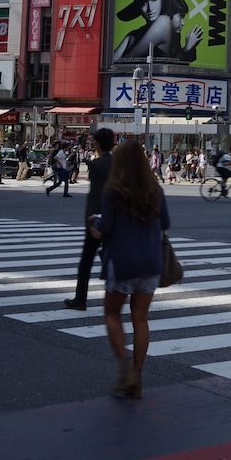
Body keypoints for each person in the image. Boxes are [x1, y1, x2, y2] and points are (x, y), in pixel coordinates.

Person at [89, 139, 170, 398]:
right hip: (151, 263)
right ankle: (138, 375)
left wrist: (95, 221)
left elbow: (106, 227)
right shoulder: (155, 189)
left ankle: (126, 369)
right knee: (141, 319)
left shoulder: (114, 191)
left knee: (112, 312)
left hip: (123, 263)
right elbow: (165, 222)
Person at [64, 128, 115, 311]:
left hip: (98, 219)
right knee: (113, 258)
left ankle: (80, 299)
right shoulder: (118, 163)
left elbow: (96, 194)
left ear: (98, 143)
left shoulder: (97, 165)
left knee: (86, 261)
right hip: (115, 218)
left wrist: (91, 219)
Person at [114, 0, 183, 61]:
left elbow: (124, 62)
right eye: (144, 3)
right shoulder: (133, 35)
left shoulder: (164, 22)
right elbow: (112, 65)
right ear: (139, 8)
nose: (150, 8)